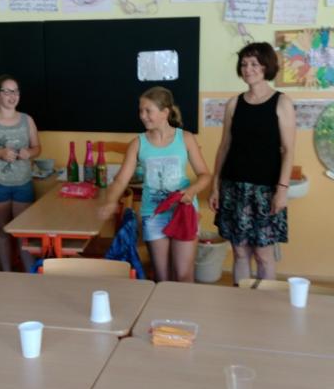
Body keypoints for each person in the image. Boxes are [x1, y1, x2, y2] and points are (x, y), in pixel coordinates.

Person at [100, 86, 211, 282]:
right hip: (153, 214)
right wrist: (110, 201)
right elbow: (120, 180)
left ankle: (184, 304)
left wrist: (191, 190)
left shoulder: (185, 138)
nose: (142, 116)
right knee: (162, 277)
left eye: (148, 110)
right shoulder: (138, 143)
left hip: (183, 213)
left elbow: (204, 175)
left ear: (165, 112)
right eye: (140, 111)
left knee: (184, 275)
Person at [209, 42, 296, 284]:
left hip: (265, 191)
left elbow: (288, 150)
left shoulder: (282, 102)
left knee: (263, 255)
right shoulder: (234, 104)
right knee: (239, 253)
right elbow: (224, 147)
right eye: (244, 64)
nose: (248, 69)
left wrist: (282, 190)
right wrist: (215, 186)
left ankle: (263, 303)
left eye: (255, 64)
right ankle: (241, 300)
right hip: (234, 188)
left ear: (267, 67)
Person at [0, 75, 40, 272]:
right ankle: (6, 272)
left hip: (23, 182)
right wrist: (0, 153)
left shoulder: (27, 120)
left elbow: (37, 147)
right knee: (2, 229)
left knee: (22, 231)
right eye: (7, 91)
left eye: (15, 91)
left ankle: (30, 274)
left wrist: (29, 153)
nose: (12, 96)